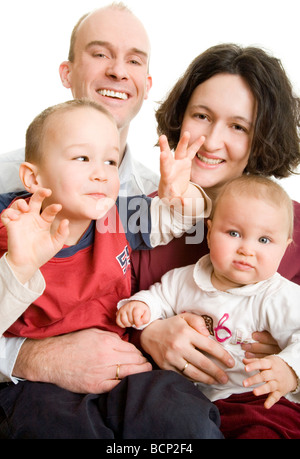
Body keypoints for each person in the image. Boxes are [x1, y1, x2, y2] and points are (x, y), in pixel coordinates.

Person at [0, 99, 220, 439]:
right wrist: (17, 266)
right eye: (82, 158)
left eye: (111, 160)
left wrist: (182, 193)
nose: (101, 172)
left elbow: (182, 219)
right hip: (36, 383)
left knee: (184, 418)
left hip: (125, 369)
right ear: (33, 176)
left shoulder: (117, 216)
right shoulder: (11, 228)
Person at [129, 44, 300, 439]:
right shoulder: (140, 218)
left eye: (238, 126)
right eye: (201, 116)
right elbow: (97, 314)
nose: (210, 141)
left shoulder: (295, 225)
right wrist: (148, 334)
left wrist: (287, 368)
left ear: (261, 138)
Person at [117, 175, 300, 420]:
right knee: (149, 404)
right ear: (210, 232)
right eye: (234, 233)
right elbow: (160, 297)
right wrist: (142, 306)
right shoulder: (185, 279)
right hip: (188, 392)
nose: (247, 249)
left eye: (264, 240)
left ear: (285, 247)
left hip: (253, 396)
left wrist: (290, 370)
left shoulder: (279, 296)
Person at [0, 3, 158, 196]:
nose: (118, 71)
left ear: (147, 86)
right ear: (67, 74)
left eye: (134, 61)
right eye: (100, 54)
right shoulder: (3, 179)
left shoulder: (160, 200)